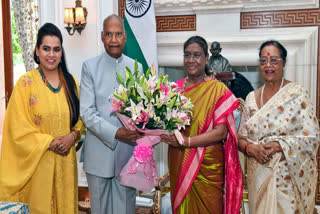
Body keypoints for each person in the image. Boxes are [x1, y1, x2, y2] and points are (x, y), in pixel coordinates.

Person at [0, 23, 84, 213]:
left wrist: (73, 136)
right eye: (46, 49)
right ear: (37, 50)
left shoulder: (71, 83)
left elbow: (80, 120)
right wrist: (48, 142)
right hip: (38, 166)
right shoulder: (25, 84)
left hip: (66, 164)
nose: (51, 55)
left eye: (56, 49)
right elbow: (16, 128)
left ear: (62, 52)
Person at [160, 36, 243, 214]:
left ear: (206, 58)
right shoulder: (174, 89)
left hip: (208, 165)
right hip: (179, 159)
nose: (191, 60)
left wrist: (187, 142)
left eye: (197, 55)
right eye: (187, 55)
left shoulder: (217, 90)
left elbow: (220, 133)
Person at [238, 40, 320, 214]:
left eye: (274, 60)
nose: (268, 65)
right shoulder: (251, 97)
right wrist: (251, 148)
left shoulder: (297, 94)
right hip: (258, 179)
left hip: (287, 182)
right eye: (263, 61)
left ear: (283, 63)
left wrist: (278, 146)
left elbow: (312, 138)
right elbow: (241, 138)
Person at [79, 14, 143, 214]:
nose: (113, 39)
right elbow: (87, 113)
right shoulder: (90, 67)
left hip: (128, 157)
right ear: (101, 36)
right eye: (109, 34)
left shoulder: (136, 67)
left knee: (126, 209)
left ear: (125, 37)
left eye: (117, 34)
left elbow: (142, 110)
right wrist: (117, 133)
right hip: (99, 156)